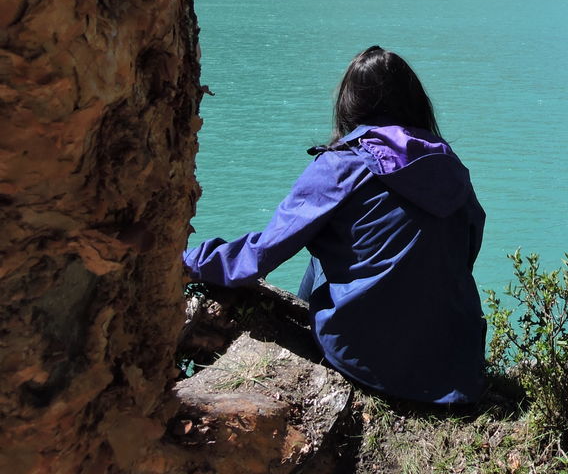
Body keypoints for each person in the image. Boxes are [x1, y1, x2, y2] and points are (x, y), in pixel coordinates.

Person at [183, 46, 487, 404]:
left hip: (371, 360)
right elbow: (467, 248)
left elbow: (264, 252)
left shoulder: (342, 164)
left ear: (350, 104)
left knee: (320, 248)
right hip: (457, 365)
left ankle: (311, 330)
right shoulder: (450, 166)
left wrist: (189, 261)